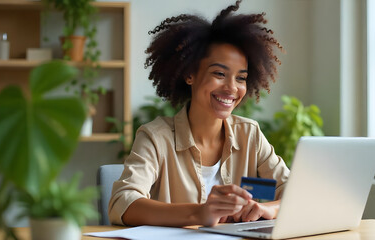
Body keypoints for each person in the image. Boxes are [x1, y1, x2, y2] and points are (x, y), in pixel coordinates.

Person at [108, 0, 289, 227]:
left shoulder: (249, 135)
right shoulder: (156, 137)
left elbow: (295, 190)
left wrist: (267, 209)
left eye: (241, 78)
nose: (232, 88)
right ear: (190, 74)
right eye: (219, 73)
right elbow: (122, 203)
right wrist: (199, 214)